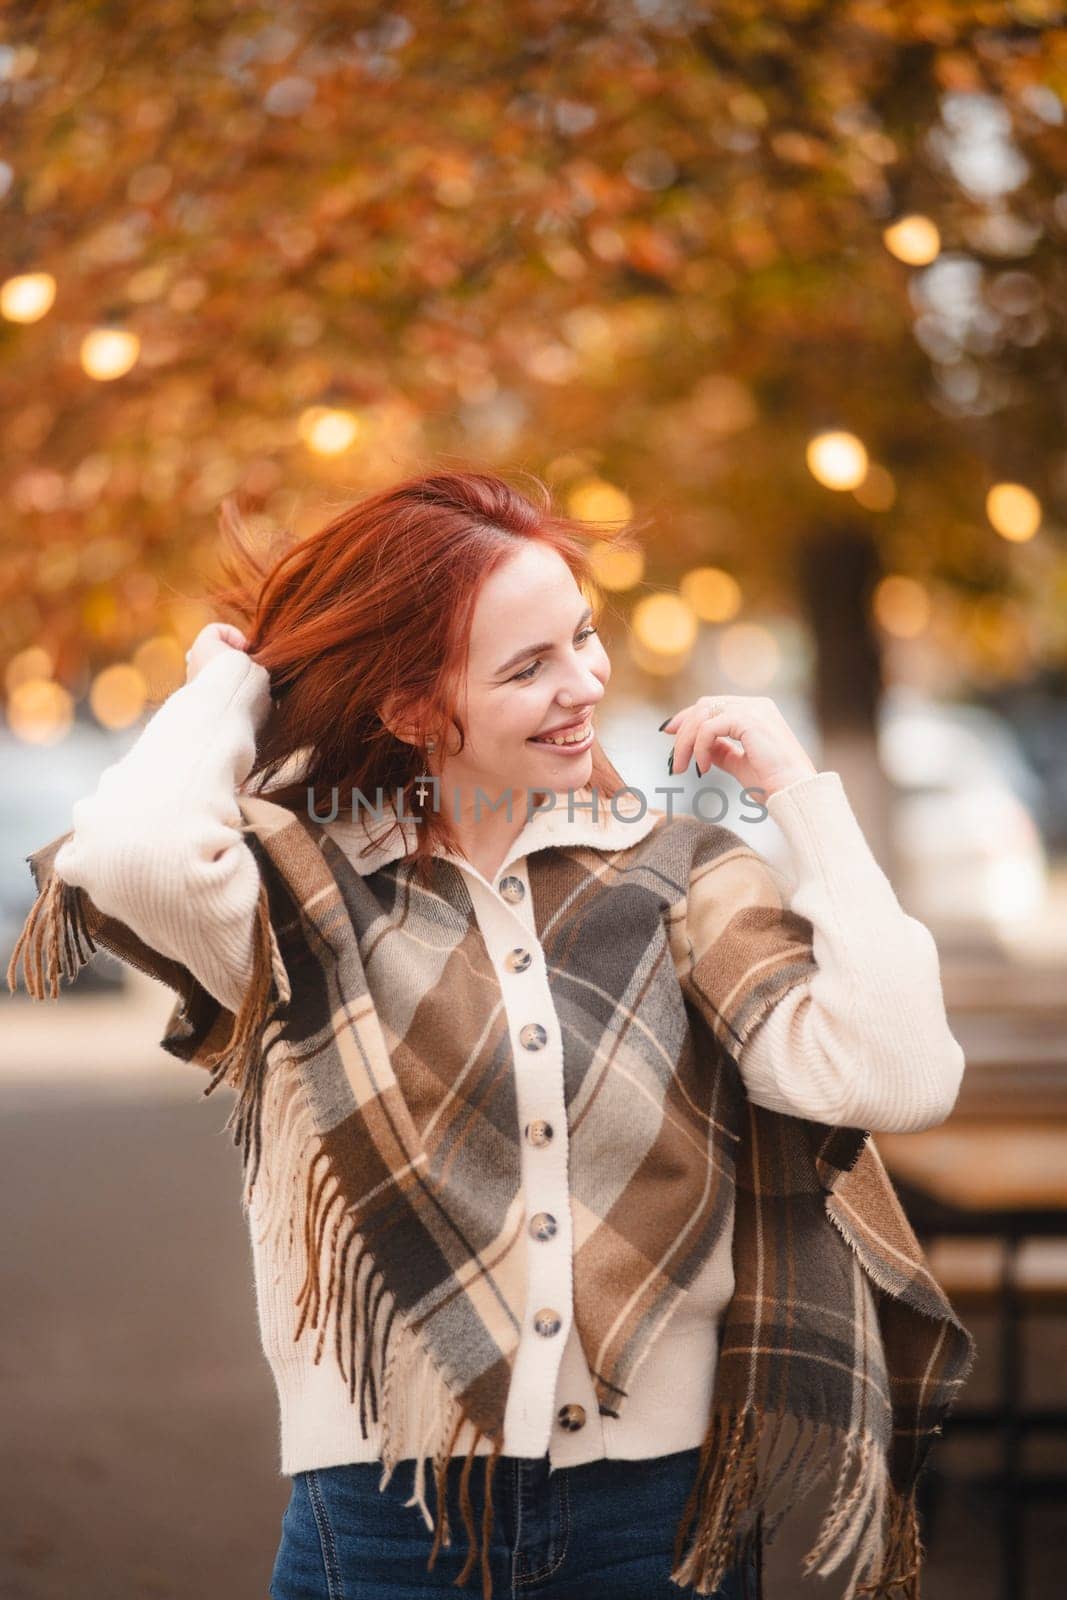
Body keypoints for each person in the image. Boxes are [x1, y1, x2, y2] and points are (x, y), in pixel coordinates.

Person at [10, 469, 975, 1600]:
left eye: (581, 637)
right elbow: (125, 856)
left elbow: (894, 1073)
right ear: (411, 709)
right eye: (527, 667)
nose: (582, 686)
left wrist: (799, 793)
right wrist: (234, 686)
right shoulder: (303, 894)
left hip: (650, 1507)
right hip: (384, 1512)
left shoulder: (678, 872)